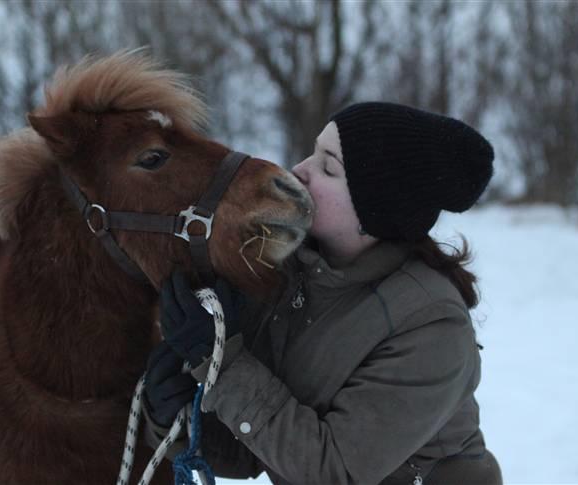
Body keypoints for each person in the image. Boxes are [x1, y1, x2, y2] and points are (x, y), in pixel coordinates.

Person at [142, 102, 503, 485]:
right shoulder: (291, 276)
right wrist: (177, 420)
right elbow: (256, 450)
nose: (300, 171)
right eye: (314, 152)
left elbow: (335, 471)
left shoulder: (431, 324)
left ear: (377, 208)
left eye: (329, 167)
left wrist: (227, 367)